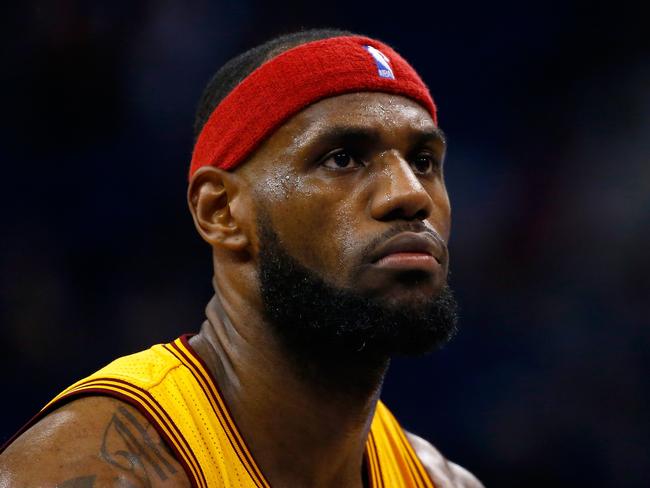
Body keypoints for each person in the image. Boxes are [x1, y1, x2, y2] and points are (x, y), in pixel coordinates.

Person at [0, 29, 483, 487]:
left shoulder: (442, 479)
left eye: (423, 161)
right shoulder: (83, 469)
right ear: (221, 212)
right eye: (342, 158)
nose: (410, 194)